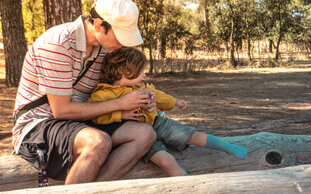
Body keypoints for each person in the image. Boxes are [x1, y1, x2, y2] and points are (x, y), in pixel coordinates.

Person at [12, 0, 157, 184]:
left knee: (145, 134)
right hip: (39, 123)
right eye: (119, 36)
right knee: (97, 143)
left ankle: (91, 190)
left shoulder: (106, 49)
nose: (121, 44)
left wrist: (144, 99)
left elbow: (118, 86)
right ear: (98, 25)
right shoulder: (57, 44)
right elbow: (61, 111)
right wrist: (119, 104)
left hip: (82, 121)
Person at [88, 47, 247, 176]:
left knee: (190, 135)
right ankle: (184, 179)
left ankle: (228, 147)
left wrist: (174, 102)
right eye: (140, 70)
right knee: (165, 160)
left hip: (158, 123)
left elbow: (159, 97)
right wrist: (120, 115)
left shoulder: (140, 88)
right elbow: (97, 116)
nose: (144, 74)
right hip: (139, 138)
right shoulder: (103, 93)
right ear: (125, 72)